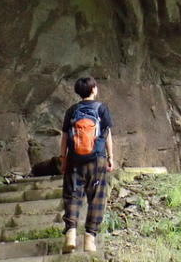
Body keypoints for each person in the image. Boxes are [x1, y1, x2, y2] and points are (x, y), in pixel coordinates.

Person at [60, 76, 114, 254]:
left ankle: (71, 233)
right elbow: (107, 135)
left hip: (75, 160)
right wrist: (110, 158)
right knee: (97, 198)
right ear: (94, 90)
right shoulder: (101, 109)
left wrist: (64, 159)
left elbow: (65, 137)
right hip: (96, 159)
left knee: (72, 195)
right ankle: (90, 238)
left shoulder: (71, 110)